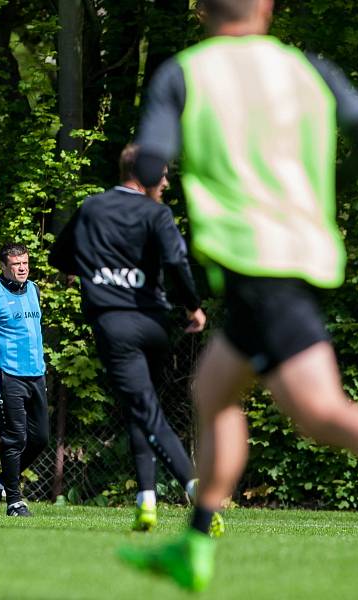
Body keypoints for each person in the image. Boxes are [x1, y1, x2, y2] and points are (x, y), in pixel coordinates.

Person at [118, 0, 358, 591]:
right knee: (215, 390)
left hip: (254, 259)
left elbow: (151, 158)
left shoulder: (184, 73)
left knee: (318, 413)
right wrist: (330, 188)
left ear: (199, 11)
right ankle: (196, 543)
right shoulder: (308, 69)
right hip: (300, 253)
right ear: (267, 7)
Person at [49, 144, 222, 535]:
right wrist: (192, 306)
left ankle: (198, 493)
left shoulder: (93, 207)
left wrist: (89, 270)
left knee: (145, 411)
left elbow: (60, 255)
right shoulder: (157, 213)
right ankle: (146, 499)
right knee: (142, 407)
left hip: (116, 325)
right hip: (155, 325)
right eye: (161, 175)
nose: (165, 182)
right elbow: (176, 261)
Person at [0, 243, 49, 517]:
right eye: (16, 264)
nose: (22, 268)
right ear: (4, 267)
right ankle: (15, 502)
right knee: (14, 438)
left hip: (35, 373)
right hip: (6, 372)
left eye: (25, 263)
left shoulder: (33, 290)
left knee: (40, 437)